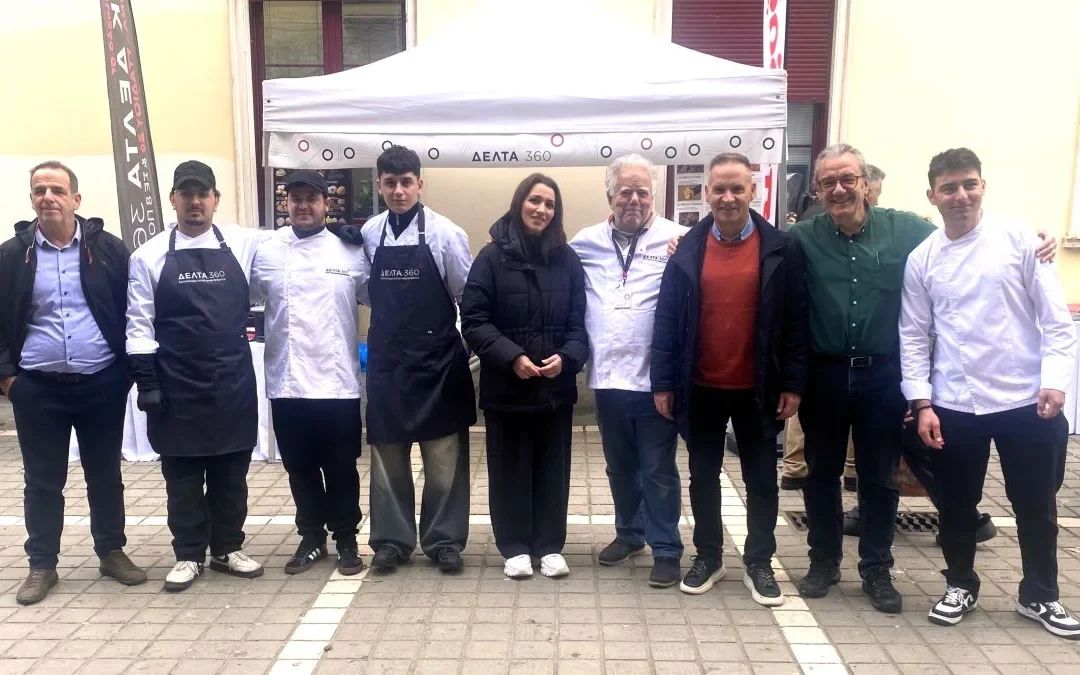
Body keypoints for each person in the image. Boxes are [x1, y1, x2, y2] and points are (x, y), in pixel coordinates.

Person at [789, 144, 1056, 614]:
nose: (839, 189)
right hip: (824, 374)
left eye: (848, 179)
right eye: (828, 182)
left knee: (879, 476)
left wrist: (1036, 239)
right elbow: (756, 249)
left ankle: (876, 568)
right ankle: (823, 561)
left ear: (866, 183)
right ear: (817, 190)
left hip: (882, 376)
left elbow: (963, 236)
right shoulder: (801, 237)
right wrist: (679, 243)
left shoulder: (907, 230)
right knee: (821, 473)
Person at [901, 148, 1079, 637]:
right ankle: (960, 583)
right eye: (949, 187)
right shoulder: (923, 258)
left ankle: (1040, 594)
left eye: (969, 184)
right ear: (932, 195)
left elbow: (1055, 321)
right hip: (956, 400)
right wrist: (922, 402)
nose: (961, 195)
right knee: (957, 504)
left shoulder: (1022, 240)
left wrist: (1055, 380)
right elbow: (913, 335)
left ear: (983, 186)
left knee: (1036, 504)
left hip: (1028, 399)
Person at [652, 153, 808, 604]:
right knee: (702, 477)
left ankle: (759, 562)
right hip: (700, 386)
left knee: (761, 480)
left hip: (759, 388)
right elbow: (667, 319)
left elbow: (797, 321)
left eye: (737, 188)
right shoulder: (687, 249)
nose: (728, 197)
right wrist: (663, 382)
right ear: (706, 194)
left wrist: (793, 383)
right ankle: (709, 556)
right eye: (719, 189)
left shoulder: (781, 248)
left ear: (752, 191)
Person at [0, 161, 145, 605]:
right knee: (43, 481)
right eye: (39, 190)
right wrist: (8, 379)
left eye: (57, 190)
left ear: (75, 199)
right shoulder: (12, 255)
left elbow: (132, 310)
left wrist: (124, 372)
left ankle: (111, 552)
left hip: (101, 383)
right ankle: (42, 564)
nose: (48, 197)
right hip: (36, 389)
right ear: (31, 199)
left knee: (105, 474)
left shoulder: (108, 250)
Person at [127, 160, 264, 592]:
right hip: (177, 387)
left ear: (215, 199)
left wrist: (340, 234)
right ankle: (188, 554)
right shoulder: (148, 256)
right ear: (173, 200)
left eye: (202, 193)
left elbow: (291, 245)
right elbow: (138, 325)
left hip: (231, 383)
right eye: (186, 193)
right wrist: (147, 383)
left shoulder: (241, 243)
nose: (195, 201)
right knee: (183, 481)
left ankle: (227, 548)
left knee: (231, 477)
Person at [461, 173, 588, 579]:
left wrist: (567, 358)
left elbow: (580, 323)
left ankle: (549, 546)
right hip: (507, 388)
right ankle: (514, 546)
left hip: (554, 389)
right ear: (519, 203)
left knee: (553, 468)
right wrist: (512, 356)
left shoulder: (567, 260)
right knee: (509, 468)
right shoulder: (491, 258)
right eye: (535, 200)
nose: (541, 209)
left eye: (550, 204)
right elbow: (474, 320)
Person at [568, 155, 687, 588]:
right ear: (610, 197)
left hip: (655, 381)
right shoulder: (585, 242)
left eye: (642, 192)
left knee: (657, 469)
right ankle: (630, 534)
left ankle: (667, 548)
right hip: (607, 379)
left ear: (653, 196)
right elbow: (547, 262)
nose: (634, 199)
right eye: (625, 192)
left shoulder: (678, 239)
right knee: (619, 467)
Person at [360, 145, 475, 573]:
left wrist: (464, 346)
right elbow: (365, 291)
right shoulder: (369, 234)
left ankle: (444, 540)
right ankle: (392, 541)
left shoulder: (446, 233)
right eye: (390, 183)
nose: (399, 191)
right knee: (387, 458)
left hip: (437, 363)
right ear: (379, 185)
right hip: (388, 363)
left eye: (406, 182)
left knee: (444, 460)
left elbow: (466, 295)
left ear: (420, 184)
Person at [250, 170, 369, 576]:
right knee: (299, 467)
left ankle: (347, 538)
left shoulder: (350, 251)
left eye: (311, 199)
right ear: (286, 204)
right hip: (287, 380)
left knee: (341, 467)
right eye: (296, 198)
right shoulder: (268, 251)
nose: (303, 205)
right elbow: (245, 295)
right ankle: (311, 536)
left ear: (326, 204)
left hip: (337, 381)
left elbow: (376, 297)